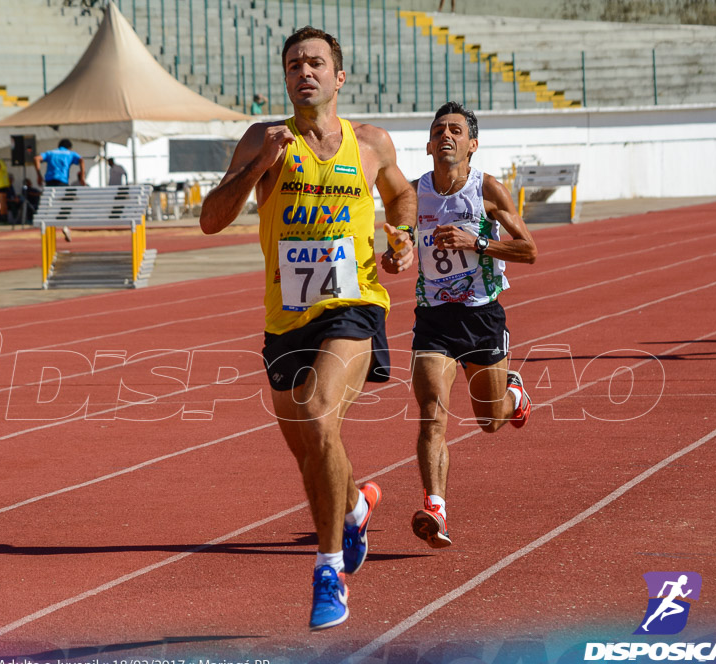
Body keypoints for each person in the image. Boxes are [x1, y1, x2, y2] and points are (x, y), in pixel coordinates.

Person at [199, 26, 416, 631]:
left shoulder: (369, 143)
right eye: (294, 64)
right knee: (310, 454)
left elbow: (400, 198)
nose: (305, 72)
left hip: (354, 304)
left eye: (316, 63)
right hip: (285, 317)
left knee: (321, 414)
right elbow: (210, 221)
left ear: (339, 76)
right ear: (286, 77)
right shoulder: (263, 140)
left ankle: (328, 571)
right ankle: (353, 507)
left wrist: (400, 241)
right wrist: (256, 170)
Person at [386, 101, 536, 551]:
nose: (446, 135)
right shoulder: (412, 195)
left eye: (455, 129)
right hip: (433, 319)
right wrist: (396, 257)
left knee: (490, 422)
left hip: (481, 316)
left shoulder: (488, 189)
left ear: (472, 144)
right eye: (438, 130)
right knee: (432, 412)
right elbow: (399, 253)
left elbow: (528, 250)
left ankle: (514, 395)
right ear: (429, 145)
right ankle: (436, 506)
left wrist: (479, 242)